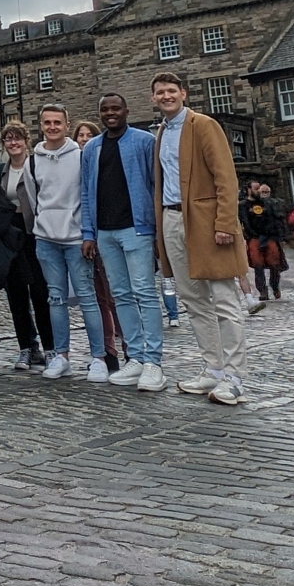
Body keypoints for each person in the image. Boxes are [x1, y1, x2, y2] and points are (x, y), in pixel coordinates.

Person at [149, 73, 249, 406]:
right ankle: (213, 369)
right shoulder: (162, 132)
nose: (166, 96)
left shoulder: (204, 125)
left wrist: (225, 223)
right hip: (171, 218)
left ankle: (234, 378)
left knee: (224, 300)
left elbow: (226, 177)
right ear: (153, 98)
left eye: (171, 91)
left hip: (206, 222)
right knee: (193, 300)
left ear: (183, 94)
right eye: (160, 92)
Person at [80, 93, 167, 392]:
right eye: (105, 109)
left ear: (126, 111)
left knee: (144, 292)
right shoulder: (92, 148)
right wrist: (88, 233)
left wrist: (157, 231)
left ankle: (154, 362)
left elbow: (156, 185)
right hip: (105, 232)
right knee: (120, 295)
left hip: (137, 228)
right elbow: (86, 191)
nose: (110, 113)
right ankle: (136, 357)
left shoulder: (145, 142)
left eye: (115, 108)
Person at [29, 104, 109, 383]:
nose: (52, 127)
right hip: (46, 239)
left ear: (66, 125)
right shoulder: (33, 160)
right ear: (41, 125)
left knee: (87, 298)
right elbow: (34, 197)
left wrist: (88, 234)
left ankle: (98, 358)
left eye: (57, 122)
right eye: (47, 122)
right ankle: (61, 356)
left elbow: (89, 195)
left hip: (76, 239)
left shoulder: (80, 156)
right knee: (55, 298)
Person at [0, 121, 55, 369]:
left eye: (17, 138)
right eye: (8, 139)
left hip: (35, 233)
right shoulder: (1, 170)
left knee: (40, 293)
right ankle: (26, 348)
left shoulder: (36, 165)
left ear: (26, 141)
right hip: (11, 235)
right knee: (16, 294)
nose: (13, 143)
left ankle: (50, 348)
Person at [241, 181, 288, 301]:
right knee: (258, 265)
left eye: (259, 188)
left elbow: (275, 219)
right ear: (249, 190)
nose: (259, 191)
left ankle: (275, 285)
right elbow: (245, 222)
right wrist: (252, 235)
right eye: (256, 189)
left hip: (269, 236)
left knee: (275, 264)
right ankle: (262, 291)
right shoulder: (243, 205)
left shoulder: (267, 203)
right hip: (254, 237)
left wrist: (278, 235)